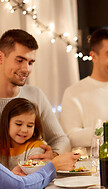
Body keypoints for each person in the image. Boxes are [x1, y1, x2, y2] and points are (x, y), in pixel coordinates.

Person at [0, 29, 71, 160]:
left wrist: (53, 155)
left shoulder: (35, 95)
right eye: (20, 60)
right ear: (1, 58)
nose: (26, 69)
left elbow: (61, 139)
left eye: (30, 62)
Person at [0, 98, 48, 189]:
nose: (24, 130)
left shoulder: (36, 146)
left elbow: (27, 184)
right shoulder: (2, 145)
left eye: (30, 125)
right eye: (19, 124)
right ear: (6, 122)